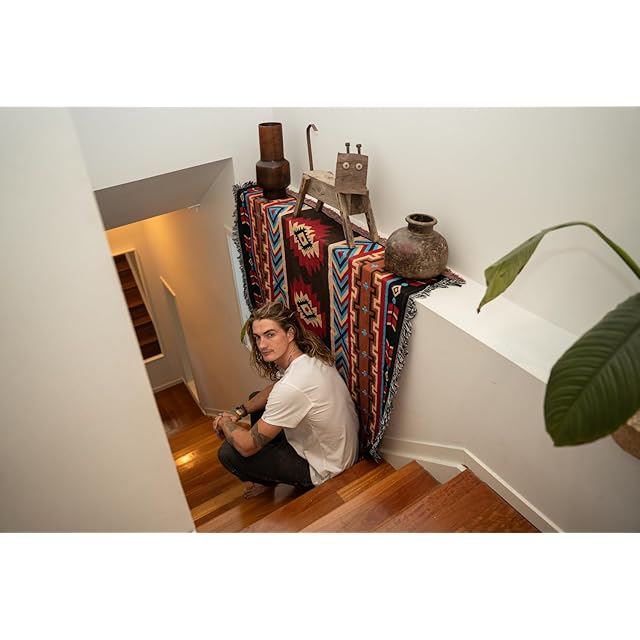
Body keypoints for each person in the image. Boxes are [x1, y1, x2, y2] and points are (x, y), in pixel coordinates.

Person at [214, 301, 359, 498]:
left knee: (228, 452)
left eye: (270, 335)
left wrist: (224, 422)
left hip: (326, 469)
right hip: (338, 451)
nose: (262, 345)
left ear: (290, 333)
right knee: (256, 398)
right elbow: (276, 389)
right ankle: (266, 465)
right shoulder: (310, 358)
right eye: (257, 337)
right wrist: (240, 411)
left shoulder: (291, 387)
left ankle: (266, 480)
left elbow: (247, 447)